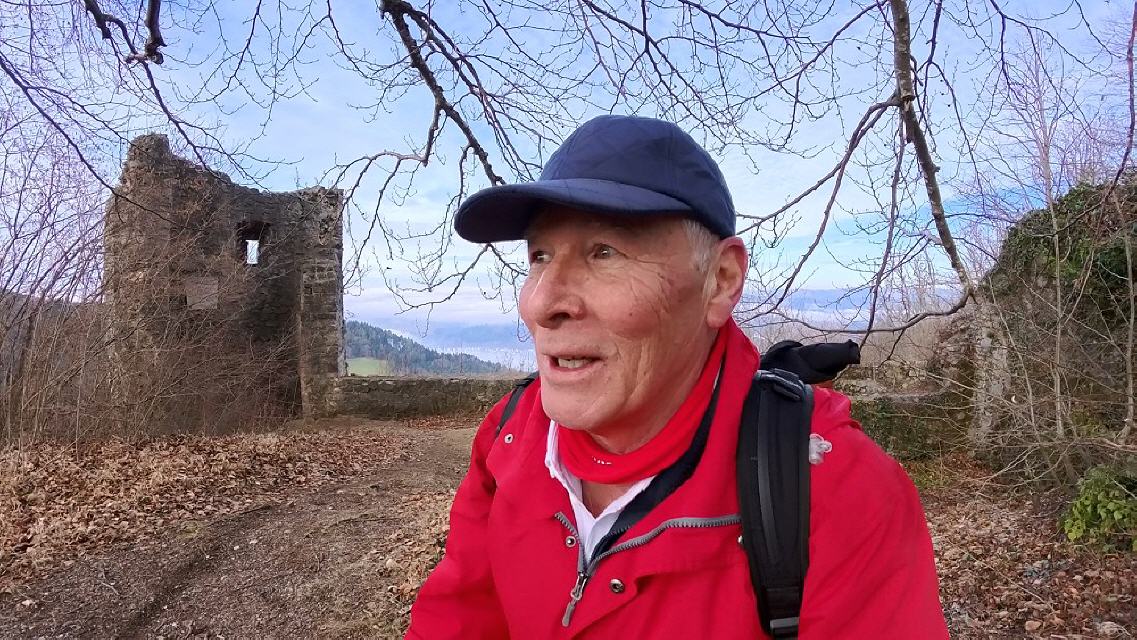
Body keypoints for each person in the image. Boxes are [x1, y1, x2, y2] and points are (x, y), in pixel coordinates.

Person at [404, 115, 949, 639]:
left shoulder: (836, 490)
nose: (541, 303)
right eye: (540, 255)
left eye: (603, 252)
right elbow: (457, 620)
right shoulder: (511, 435)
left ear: (721, 280)